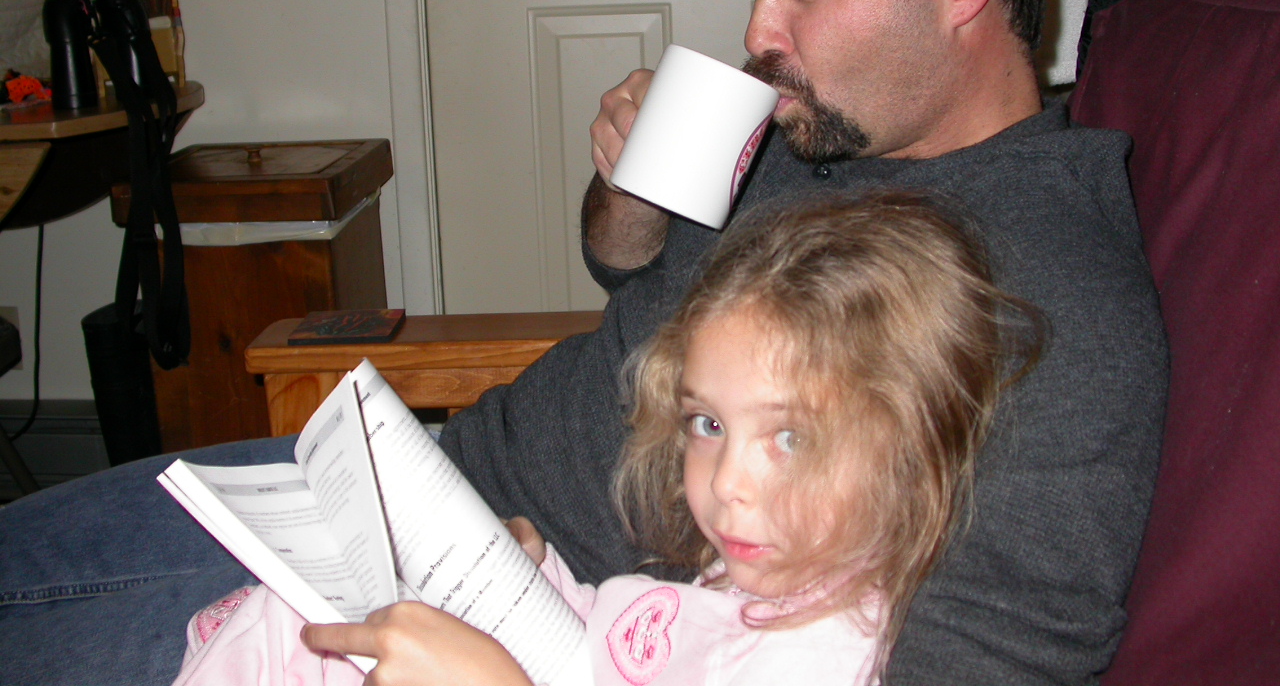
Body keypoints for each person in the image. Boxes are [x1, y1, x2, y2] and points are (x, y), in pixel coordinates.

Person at [0, 0, 1167, 686]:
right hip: (423, 486)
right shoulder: (819, 123)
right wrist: (627, 197)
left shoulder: (1046, 307)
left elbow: (974, 659)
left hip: (492, 622)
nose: (758, 33)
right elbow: (624, 270)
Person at [172, 193, 1043, 686]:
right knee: (304, 617)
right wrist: (528, 581)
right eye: (708, 425)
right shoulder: (761, 577)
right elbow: (619, 653)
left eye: (790, 439)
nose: (728, 483)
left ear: (907, 455)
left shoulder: (824, 657)